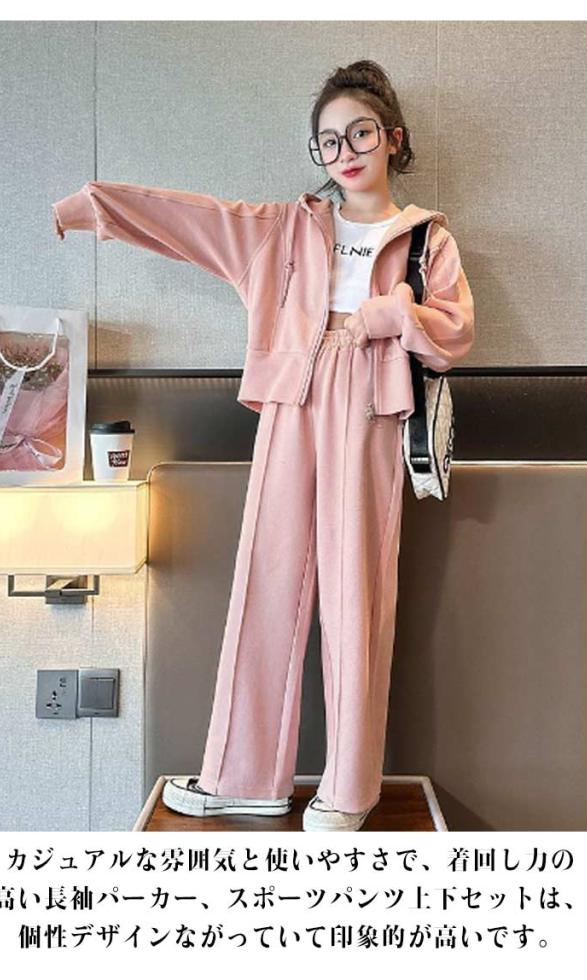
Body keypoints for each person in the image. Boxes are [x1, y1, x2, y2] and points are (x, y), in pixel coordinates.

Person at [51, 59, 475, 832]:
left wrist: (394, 316)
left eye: (360, 133)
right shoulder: (286, 229)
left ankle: (349, 791)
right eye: (328, 141)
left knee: (357, 593)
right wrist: (94, 205)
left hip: (373, 405)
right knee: (267, 578)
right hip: (291, 401)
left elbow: (454, 334)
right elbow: (189, 219)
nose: (345, 152)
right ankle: (244, 778)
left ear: (392, 138)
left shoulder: (426, 238)